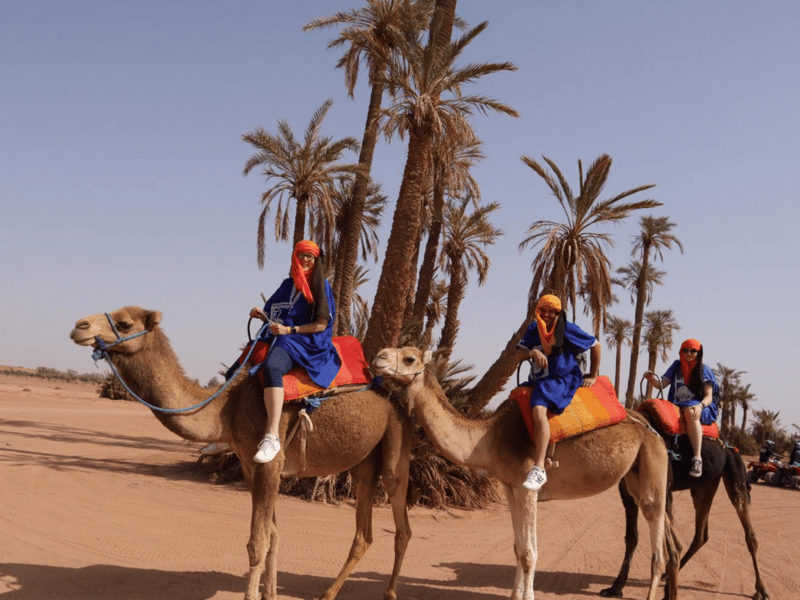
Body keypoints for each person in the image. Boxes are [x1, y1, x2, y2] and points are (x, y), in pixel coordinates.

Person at [249, 240, 340, 463]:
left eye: (310, 256)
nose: (306, 260)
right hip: (281, 336)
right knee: (244, 361)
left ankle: (272, 435)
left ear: (316, 260)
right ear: (295, 258)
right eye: (302, 255)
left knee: (273, 367)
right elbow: (274, 312)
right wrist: (260, 314)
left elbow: (321, 324)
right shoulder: (287, 286)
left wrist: (290, 330)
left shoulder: (321, 286)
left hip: (304, 342)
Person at [515, 294, 601, 491]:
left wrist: (593, 375)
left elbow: (596, 345)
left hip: (560, 379)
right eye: (542, 310)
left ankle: (539, 468)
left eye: (551, 311)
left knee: (538, 410)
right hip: (539, 380)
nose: (546, 314)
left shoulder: (568, 329)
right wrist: (532, 353)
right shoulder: (532, 328)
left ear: (558, 313)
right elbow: (517, 355)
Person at [644, 338, 718, 478]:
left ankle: (697, 459)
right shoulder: (677, 366)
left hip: (699, 405)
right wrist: (651, 378)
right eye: (686, 350)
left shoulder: (704, 370)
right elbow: (661, 384)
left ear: (699, 353)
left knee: (690, 413)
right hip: (677, 404)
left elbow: (709, 396)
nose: (689, 354)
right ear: (681, 351)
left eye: (693, 351)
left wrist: (700, 406)